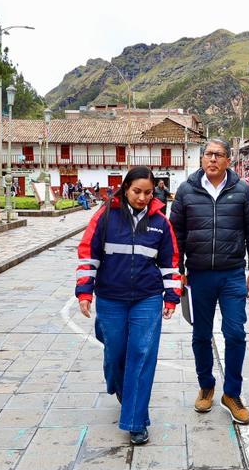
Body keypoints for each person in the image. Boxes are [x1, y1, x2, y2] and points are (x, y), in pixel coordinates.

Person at [75, 166, 181, 444]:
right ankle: (121, 386)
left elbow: (170, 262)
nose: (142, 198)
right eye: (137, 191)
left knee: (142, 354)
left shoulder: (161, 223)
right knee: (115, 354)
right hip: (110, 298)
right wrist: (85, 292)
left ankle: (136, 420)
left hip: (147, 298)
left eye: (148, 193)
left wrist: (172, 297)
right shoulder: (105, 217)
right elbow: (88, 254)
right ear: (125, 189)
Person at [169, 138, 249, 425]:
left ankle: (232, 394)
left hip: (232, 274)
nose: (212, 159)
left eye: (219, 155)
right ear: (202, 159)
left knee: (235, 333)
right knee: (201, 335)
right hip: (198, 275)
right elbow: (176, 234)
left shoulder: (242, 190)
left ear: (228, 160)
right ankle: (206, 385)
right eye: (208, 154)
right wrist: (177, 270)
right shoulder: (186, 190)